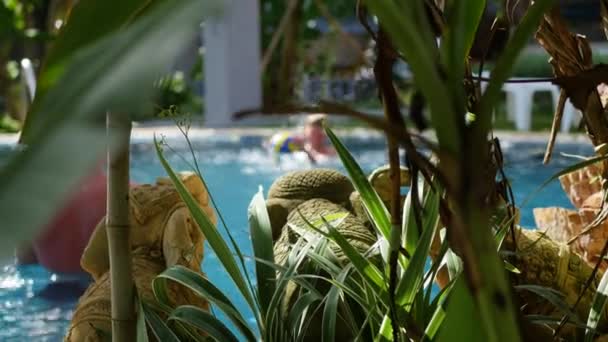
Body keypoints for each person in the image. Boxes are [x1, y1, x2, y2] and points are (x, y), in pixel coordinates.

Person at [267, 113, 335, 164]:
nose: (319, 136)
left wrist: (306, 151)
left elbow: (317, 163)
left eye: (320, 133)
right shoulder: (297, 150)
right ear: (305, 132)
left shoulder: (331, 152)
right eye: (313, 133)